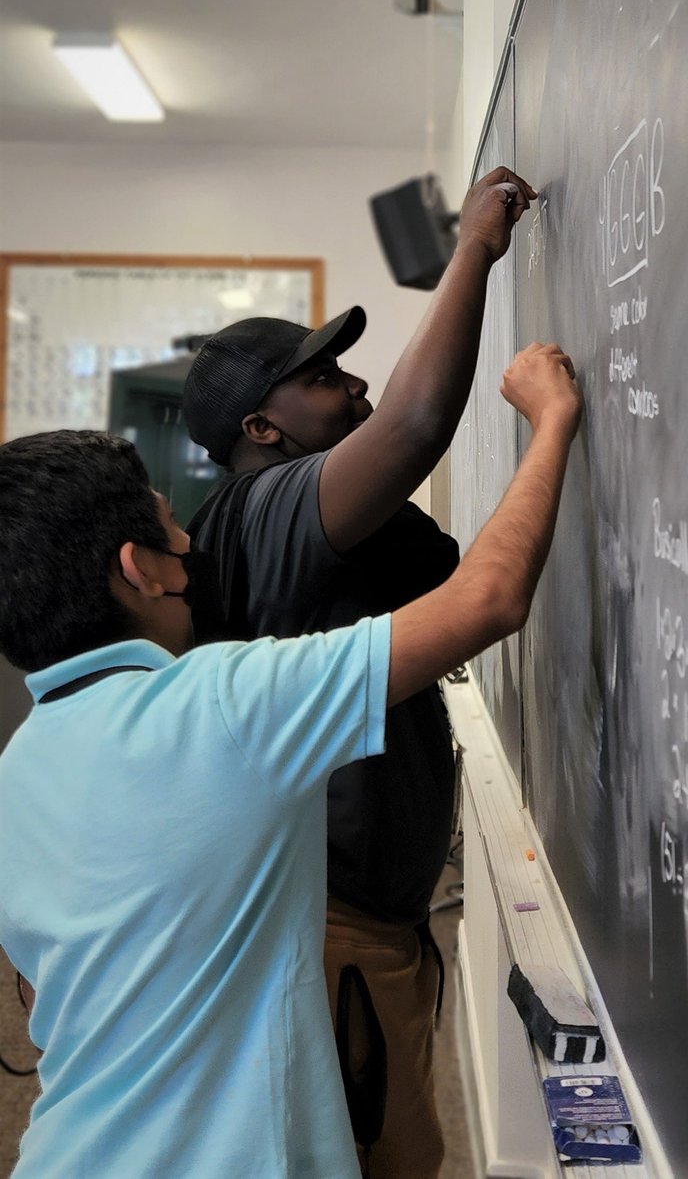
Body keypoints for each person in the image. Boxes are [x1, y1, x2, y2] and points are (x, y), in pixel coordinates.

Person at [0, 341, 581, 1179]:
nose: (188, 547)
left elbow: (33, 988)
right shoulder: (224, 704)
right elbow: (487, 598)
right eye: (168, 527)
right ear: (139, 571)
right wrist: (553, 421)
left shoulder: (21, 767)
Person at [180, 167, 535, 1177]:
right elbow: (418, 426)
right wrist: (472, 247)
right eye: (326, 379)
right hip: (329, 925)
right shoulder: (268, 512)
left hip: (369, 918)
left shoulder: (312, 519)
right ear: (261, 429)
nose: (359, 386)